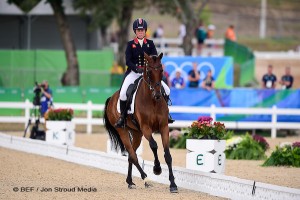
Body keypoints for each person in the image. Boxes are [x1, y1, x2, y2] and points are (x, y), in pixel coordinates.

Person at [115, 18, 174, 128]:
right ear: (135, 31)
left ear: (145, 31)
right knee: (123, 93)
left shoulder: (150, 44)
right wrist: (137, 69)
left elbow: (155, 59)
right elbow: (128, 61)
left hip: (149, 74)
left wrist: (149, 69)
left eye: (142, 30)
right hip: (134, 72)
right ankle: (122, 117)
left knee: (167, 89)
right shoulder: (130, 44)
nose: (140, 32)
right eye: (138, 30)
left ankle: (167, 114)